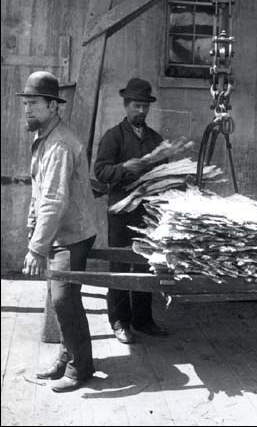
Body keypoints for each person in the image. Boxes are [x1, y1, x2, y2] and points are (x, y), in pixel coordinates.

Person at [17, 71, 98, 393]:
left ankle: (81, 369)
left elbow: (53, 200)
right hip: (60, 232)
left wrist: (37, 249)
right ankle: (68, 357)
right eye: (25, 104)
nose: (27, 110)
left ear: (53, 106)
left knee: (64, 301)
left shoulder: (60, 144)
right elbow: (39, 193)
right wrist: (32, 229)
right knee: (62, 300)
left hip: (73, 234)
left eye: (34, 104)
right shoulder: (44, 137)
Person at [94, 78, 168, 344]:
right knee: (121, 265)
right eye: (136, 106)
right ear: (126, 106)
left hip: (147, 214)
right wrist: (127, 168)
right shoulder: (113, 136)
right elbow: (100, 172)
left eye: (145, 107)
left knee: (147, 265)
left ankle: (143, 319)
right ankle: (119, 321)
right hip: (121, 213)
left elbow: (164, 173)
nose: (141, 111)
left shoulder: (155, 139)